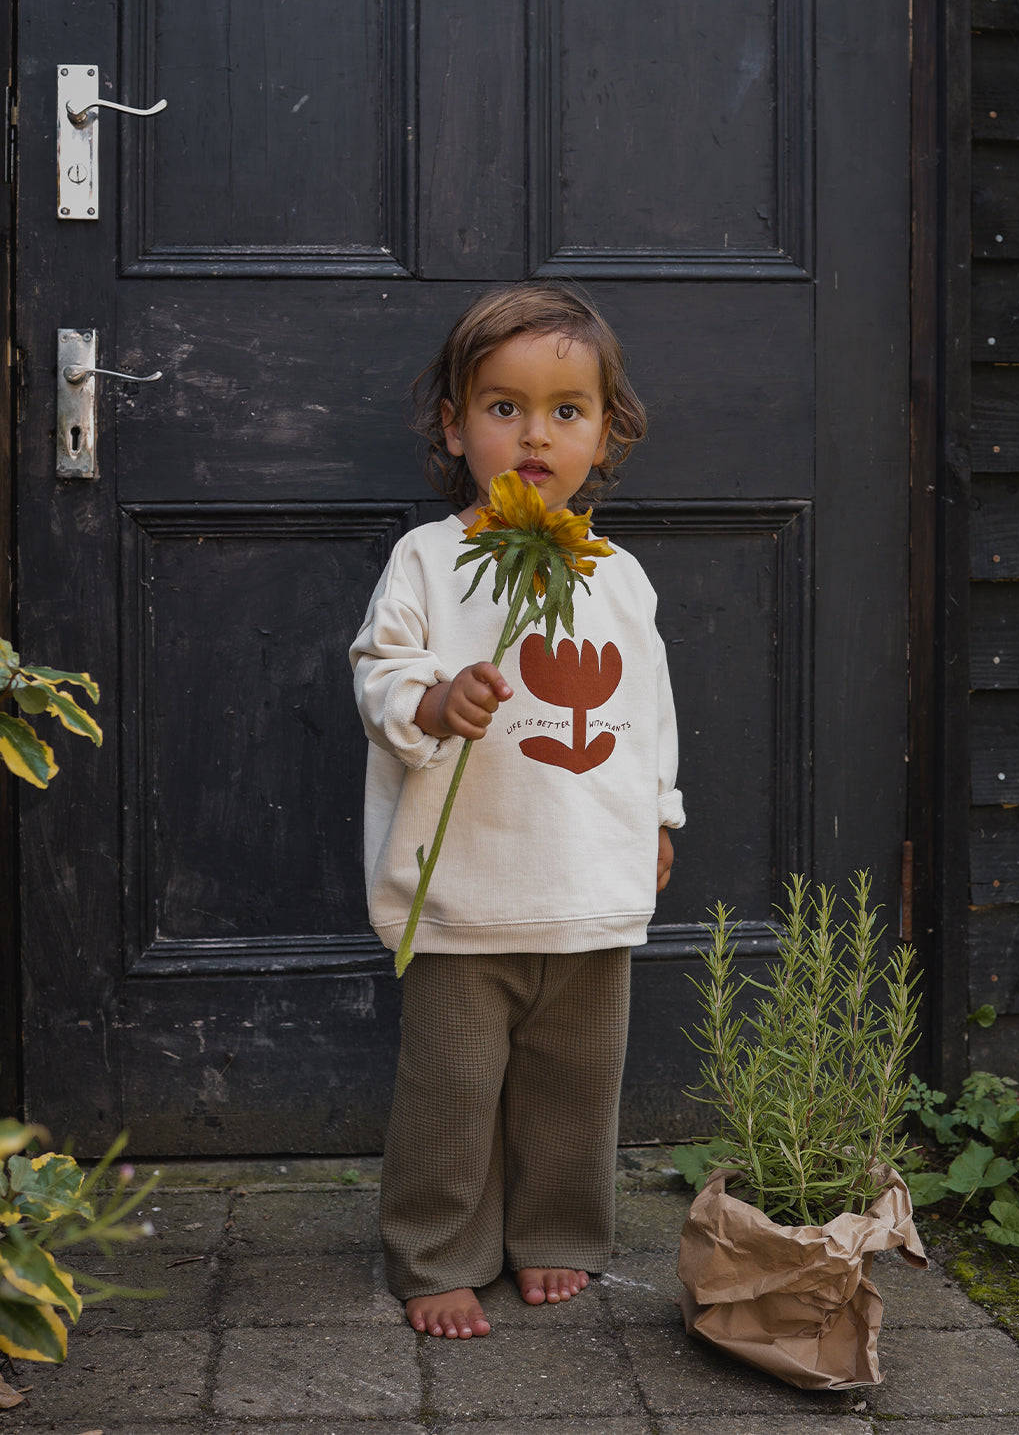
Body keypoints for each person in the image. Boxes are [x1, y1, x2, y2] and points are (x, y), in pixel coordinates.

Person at [350, 282, 684, 1340]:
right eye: (503, 407)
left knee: (575, 1085)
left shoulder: (617, 577)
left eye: (566, 411)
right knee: (450, 1090)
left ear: (605, 436)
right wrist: (438, 701)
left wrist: (663, 815)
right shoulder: (430, 560)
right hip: (466, 887)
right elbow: (379, 674)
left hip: (588, 881)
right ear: (455, 427)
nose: (534, 432)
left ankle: (559, 1230)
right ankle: (437, 1248)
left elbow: (648, 709)